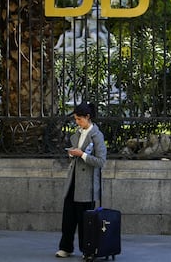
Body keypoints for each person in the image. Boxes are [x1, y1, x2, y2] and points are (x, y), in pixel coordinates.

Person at [56, 102, 107, 258]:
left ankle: (88, 250)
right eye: (76, 119)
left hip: (87, 185)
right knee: (68, 218)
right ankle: (66, 247)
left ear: (87, 117)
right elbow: (75, 154)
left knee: (86, 221)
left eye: (79, 119)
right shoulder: (77, 133)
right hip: (73, 181)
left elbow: (101, 161)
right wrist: (72, 154)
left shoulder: (97, 135)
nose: (77, 122)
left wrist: (82, 155)